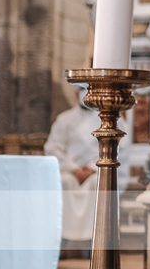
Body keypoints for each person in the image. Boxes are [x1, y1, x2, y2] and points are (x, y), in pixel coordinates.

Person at [43, 83, 129, 246]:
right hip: (70, 171)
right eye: (82, 89)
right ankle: (64, 240)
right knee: (64, 182)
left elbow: (118, 147)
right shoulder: (65, 119)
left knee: (97, 184)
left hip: (98, 170)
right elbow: (53, 147)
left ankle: (95, 241)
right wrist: (74, 169)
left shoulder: (110, 119)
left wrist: (91, 168)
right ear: (75, 93)